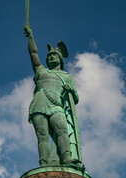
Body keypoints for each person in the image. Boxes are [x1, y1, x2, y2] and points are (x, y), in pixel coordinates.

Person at [24, 26, 82, 168]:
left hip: (56, 105)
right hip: (39, 103)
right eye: (49, 56)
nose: (51, 57)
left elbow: (75, 98)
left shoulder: (67, 76)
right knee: (42, 136)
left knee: (62, 129)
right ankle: (44, 164)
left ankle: (66, 158)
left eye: (54, 55)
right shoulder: (41, 71)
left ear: (60, 59)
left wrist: (70, 92)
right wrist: (30, 36)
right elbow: (33, 53)